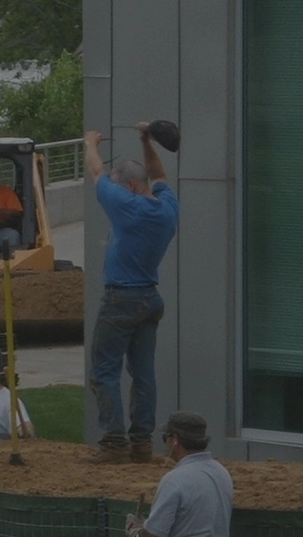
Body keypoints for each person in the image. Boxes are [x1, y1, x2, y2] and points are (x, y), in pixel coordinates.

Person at [84, 122, 180, 464]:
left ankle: (113, 443)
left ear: (127, 185)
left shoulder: (128, 206)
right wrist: (146, 140)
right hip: (149, 300)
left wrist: (91, 142)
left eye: (118, 185)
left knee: (103, 371)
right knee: (143, 374)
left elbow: (97, 173)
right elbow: (160, 174)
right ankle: (141, 443)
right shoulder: (167, 208)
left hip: (120, 299)